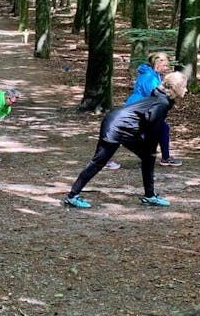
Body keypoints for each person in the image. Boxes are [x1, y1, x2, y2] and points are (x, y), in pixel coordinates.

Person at [62, 71, 188, 209]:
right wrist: (151, 146)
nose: (186, 90)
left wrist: (150, 149)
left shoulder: (162, 98)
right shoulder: (162, 102)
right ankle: (72, 196)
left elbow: (149, 123)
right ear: (176, 87)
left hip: (122, 124)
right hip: (117, 126)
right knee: (99, 161)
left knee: (148, 157)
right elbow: (152, 125)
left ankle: (150, 196)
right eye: (184, 86)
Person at [125, 52, 181, 167]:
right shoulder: (149, 77)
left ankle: (164, 157)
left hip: (142, 108)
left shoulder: (153, 75)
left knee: (163, 128)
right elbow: (155, 96)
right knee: (125, 134)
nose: (166, 68)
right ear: (157, 64)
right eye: (165, 65)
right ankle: (105, 158)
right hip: (138, 108)